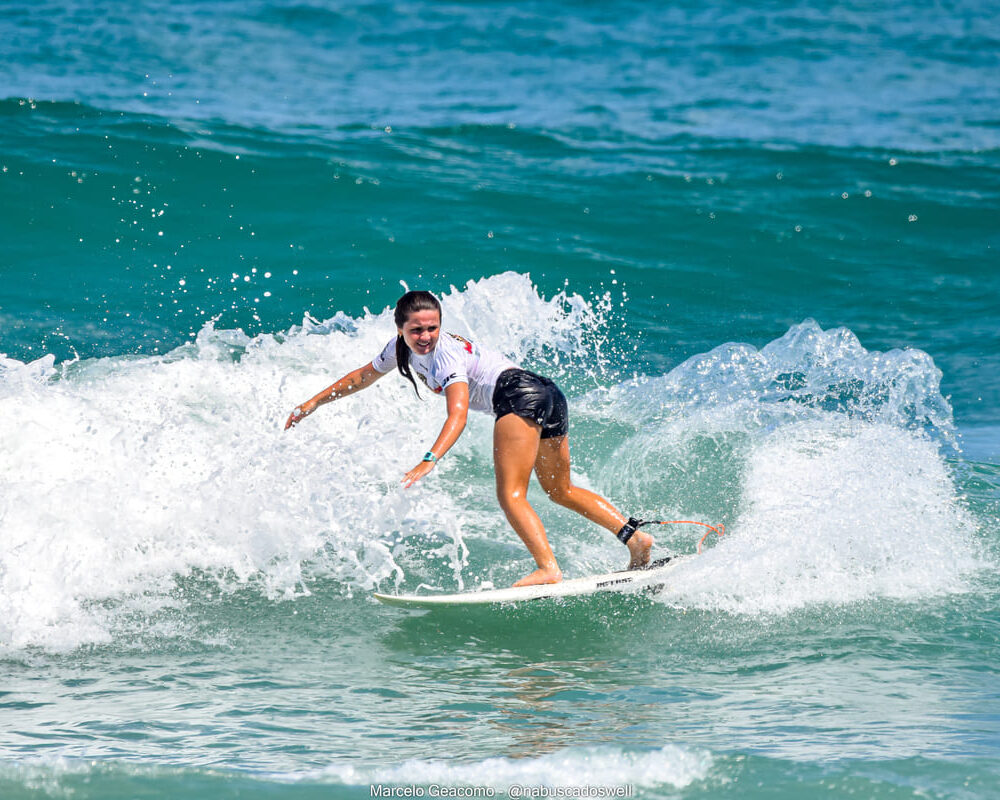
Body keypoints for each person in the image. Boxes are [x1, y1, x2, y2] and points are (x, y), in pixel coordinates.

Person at [284, 290, 653, 587]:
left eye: (432, 328)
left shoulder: (445, 356)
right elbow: (363, 376)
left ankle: (548, 570)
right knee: (560, 489)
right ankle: (635, 539)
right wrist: (313, 402)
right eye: (417, 330)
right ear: (400, 330)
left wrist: (430, 458)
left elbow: (457, 414)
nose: (426, 337)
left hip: (519, 395)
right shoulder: (398, 350)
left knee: (511, 494)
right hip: (546, 393)